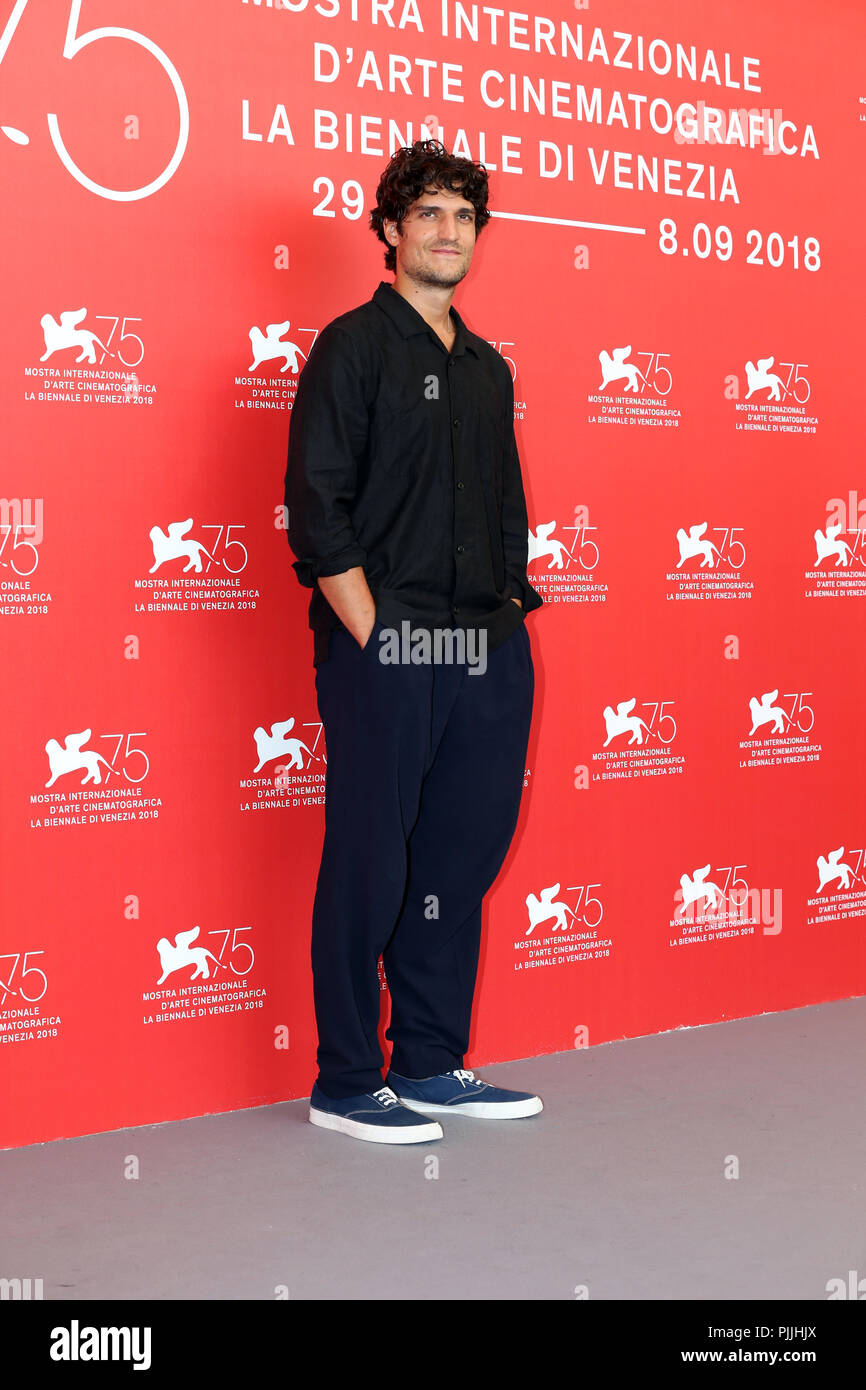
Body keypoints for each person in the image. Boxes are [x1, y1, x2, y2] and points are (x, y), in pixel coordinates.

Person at [285, 139, 544, 1144]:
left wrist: (505, 627)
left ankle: (430, 1060)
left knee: (458, 856)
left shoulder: (486, 370)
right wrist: (374, 633)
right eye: (429, 214)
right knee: (369, 855)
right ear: (390, 231)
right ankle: (347, 1080)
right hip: (389, 646)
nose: (449, 232)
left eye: (464, 217)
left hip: (485, 644)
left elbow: (502, 509)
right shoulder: (351, 347)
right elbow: (317, 505)